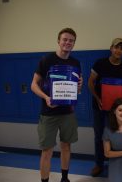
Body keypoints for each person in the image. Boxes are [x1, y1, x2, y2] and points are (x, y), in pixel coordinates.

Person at [31, 28, 83, 182]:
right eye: (65, 39)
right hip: (49, 113)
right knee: (47, 151)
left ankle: (64, 178)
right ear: (58, 41)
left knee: (66, 146)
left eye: (71, 40)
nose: (68, 42)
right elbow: (34, 85)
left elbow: (76, 89)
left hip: (68, 112)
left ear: (74, 43)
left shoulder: (75, 62)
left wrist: (79, 86)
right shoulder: (47, 60)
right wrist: (46, 98)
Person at [88, 38, 122, 177]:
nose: (118, 50)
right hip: (100, 107)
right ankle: (99, 164)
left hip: (117, 111)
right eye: (116, 47)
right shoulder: (100, 63)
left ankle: (115, 164)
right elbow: (90, 82)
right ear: (111, 48)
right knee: (99, 136)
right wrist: (97, 98)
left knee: (116, 136)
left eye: (121, 48)